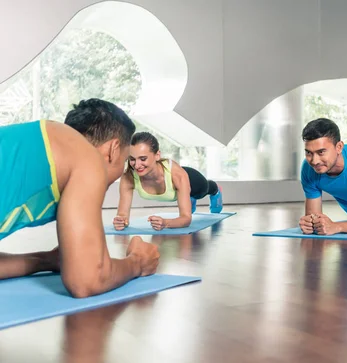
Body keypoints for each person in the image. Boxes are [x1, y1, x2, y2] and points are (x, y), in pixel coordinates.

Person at [0, 98, 160, 297]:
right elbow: (86, 282)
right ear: (113, 149)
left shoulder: (40, 143)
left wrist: (45, 260)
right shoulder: (88, 158)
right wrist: (138, 262)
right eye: (125, 160)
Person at [113, 132, 223, 231]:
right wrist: (121, 221)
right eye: (132, 159)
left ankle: (215, 190)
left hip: (192, 180)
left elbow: (186, 219)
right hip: (179, 183)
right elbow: (122, 214)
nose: (136, 165)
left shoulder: (177, 175)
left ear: (157, 156)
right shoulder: (128, 177)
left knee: (201, 191)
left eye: (142, 159)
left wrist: (166, 223)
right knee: (187, 199)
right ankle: (187, 198)